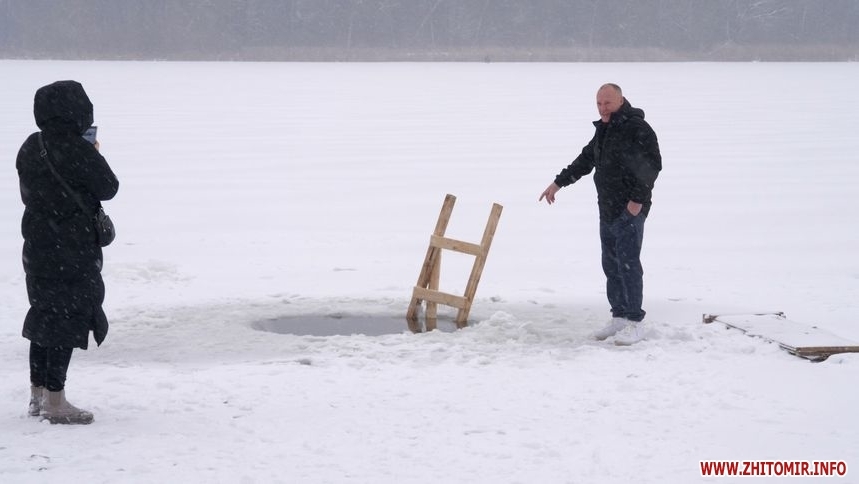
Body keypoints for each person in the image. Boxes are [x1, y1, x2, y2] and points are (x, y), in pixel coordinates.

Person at [16, 80, 119, 424]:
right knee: (65, 320)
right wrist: (94, 153)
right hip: (70, 248)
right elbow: (109, 187)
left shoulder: (32, 145)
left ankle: (38, 396)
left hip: (37, 245)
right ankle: (56, 402)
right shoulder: (76, 148)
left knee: (44, 314)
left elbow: (32, 191)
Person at [539, 83, 661, 346]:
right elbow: (585, 159)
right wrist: (558, 183)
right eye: (599, 104)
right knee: (612, 264)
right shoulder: (605, 130)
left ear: (620, 101)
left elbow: (652, 165)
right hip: (607, 208)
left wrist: (637, 201)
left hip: (629, 210)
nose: (603, 108)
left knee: (628, 264)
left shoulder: (637, 128)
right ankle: (619, 316)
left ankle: (635, 321)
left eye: (607, 103)